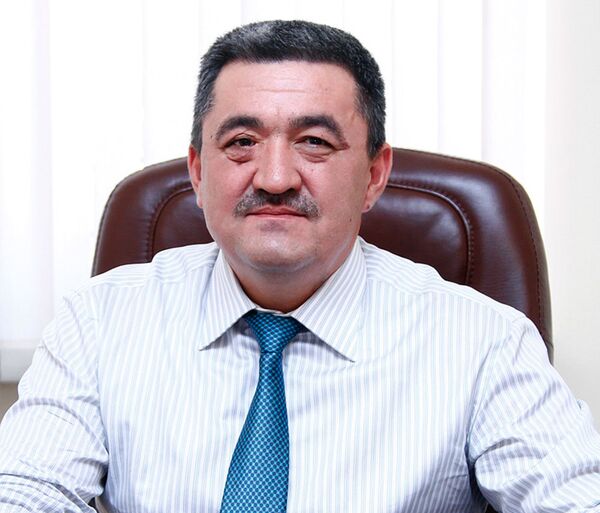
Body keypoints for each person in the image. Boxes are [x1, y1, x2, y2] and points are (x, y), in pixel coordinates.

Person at [0, 19, 599, 513]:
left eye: (314, 141)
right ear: (198, 173)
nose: (275, 177)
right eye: (241, 142)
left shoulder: (485, 342)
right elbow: (25, 492)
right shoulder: (99, 321)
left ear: (374, 174)